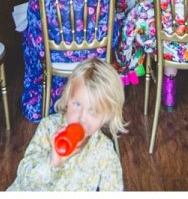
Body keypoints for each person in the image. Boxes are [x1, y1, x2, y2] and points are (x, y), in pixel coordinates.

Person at [7, 58, 126, 192]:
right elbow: (24, 177)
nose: (81, 118)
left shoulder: (104, 151)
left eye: (93, 111)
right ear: (67, 98)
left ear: (107, 116)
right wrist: (52, 163)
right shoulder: (48, 127)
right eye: (77, 104)